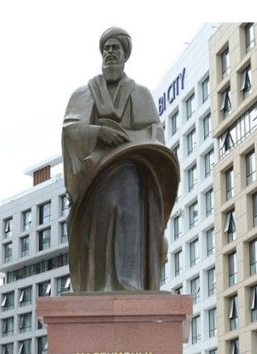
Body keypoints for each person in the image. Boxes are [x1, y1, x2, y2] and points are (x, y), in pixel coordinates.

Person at [62, 26, 178, 292]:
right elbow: (70, 131)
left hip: (131, 176)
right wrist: (99, 133)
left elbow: (155, 134)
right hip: (95, 180)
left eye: (115, 48)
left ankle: (129, 283)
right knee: (98, 234)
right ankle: (96, 285)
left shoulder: (140, 94)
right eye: (106, 48)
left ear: (125, 55)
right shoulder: (84, 93)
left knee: (128, 222)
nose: (110, 52)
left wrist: (126, 140)